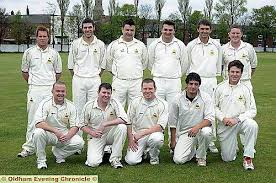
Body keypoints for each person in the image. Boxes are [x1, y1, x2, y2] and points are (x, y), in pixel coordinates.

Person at [18, 25, 62, 157]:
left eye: (45, 36)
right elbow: (25, 72)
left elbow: (58, 73)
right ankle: (29, 148)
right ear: (36, 37)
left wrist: (49, 85)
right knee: (33, 119)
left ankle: (58, 148)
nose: (42, 39)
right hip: (35, 89)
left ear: (48, 38)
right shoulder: (29, 53)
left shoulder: (54, 53)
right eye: (40, 36)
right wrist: (34, 84)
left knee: (52, 119)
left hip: (49, 90)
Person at [214, 60, 258, 170]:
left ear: (241, 73)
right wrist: (223, 118)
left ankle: (248, 157)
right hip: (225, 125)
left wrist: (237, 119)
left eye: (237, 72)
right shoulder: (220, 87)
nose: (234, 74)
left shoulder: (246, 89)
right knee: (228, 158)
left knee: (252, 125)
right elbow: (213, 107)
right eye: (232, 71)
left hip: (240, 122)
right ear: (228, 72)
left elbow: (252, 110)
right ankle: (233, 146)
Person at [186, 19, 222, 153]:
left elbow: (219, 65)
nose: (204, 31)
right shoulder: (191, 45)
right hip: (195, 81)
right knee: (194, 110)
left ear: (210, 30)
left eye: (207, 29)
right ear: (198, 29)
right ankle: (192, 139)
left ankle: (210, 141)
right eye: (202, 29)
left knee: (210, 110)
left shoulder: (216, 45)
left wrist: (215, 75)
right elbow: (186, 63)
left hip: (211, 80)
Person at [32, 81, 84, 169]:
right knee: (38, 133)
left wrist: (67, 136)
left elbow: (75, 126)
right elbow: (38, 123)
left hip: (63, 134)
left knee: (80, 143)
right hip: (49, 134)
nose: (60, 93)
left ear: (66, 92)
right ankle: (41, 161)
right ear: (52, 91)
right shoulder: (45, 103)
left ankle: (58, 154)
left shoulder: (71, 105)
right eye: (58, 91)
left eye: (63, 91)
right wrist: (56, 131)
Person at [169, 73, 214, 166]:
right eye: (191, 84)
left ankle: (201, 157)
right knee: (178, 160)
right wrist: (173, 141)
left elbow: (209, 119)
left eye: (196, 84)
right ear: (186, 84)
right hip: (186, 132)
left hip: (201, 129)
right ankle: (192, 151)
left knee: (207, 132)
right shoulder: (177, 99)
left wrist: (197, 127)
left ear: (199, 85)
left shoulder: (206, 97)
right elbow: (172, 121)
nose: (193, 87)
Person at [80, 83, 128, 168]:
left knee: (122, 127)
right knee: (93, 163)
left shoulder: (114, 102)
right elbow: (81, 124)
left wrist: (105, 124)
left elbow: (124, 119)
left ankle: (115, 159)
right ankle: (105, 151)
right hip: (96, 136)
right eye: (104, 92)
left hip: (111, 134)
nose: (106, 95)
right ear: (98, 92)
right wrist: (92, 132)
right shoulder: (89, 105)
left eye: (108, 93)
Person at [68, 17, 106, 118]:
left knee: (94, 109)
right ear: (82, 29)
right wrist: (78, 76)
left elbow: (103, 65)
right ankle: (78, 134)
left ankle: (92, 134)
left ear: (94, 28)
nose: (87, 30)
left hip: (94, 80)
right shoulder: (75, 44)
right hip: (79, 80)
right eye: (85, 28)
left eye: (90, 27)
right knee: (78, 109)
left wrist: (95, 75)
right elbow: (71, 66)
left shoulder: (100, 44)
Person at [125, 78, 168, 165]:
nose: (147, 91)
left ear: (155, 89)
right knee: (131, 161)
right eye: (145, 89)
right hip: (137, 136)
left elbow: (160, 126)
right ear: (141, 89)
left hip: (154, 133)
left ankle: (154, 157)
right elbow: (128, 122)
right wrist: (130, 139)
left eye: (150, 89)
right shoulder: (135, 102)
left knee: (156, 139)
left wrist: (142, 133)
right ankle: (145, 152)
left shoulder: (163, 104)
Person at [105, 19, 148, 107]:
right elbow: (109, 63)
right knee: (116, 107)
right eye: (127, 30)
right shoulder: (114, 45)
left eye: (132, 30)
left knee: (136, 108)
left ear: (134, 31)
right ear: (122, 30)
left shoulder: (140, 45)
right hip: (119, 82)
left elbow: (144, 63)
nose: (129, 32)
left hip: (136, 82)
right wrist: (117, 74)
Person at [148, 20, 187, 106]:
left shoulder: (180, 45)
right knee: (157, 107)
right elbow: (150, 63)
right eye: (165, 29)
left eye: (170, 30)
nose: (167, 32)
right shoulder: (154, 45)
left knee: (173, 108)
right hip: (158, 81)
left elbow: (184, 64)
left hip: (174, 82)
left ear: (174, 31)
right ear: (161, 30)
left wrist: (177, 74)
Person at [222, 25, 257, 91]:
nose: (235, 35)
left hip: (245, 82)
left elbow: (253, 66)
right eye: (233, 33)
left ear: (241, 34)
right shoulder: (223, 48)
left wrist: (245, 76)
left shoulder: (249, 47)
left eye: (237, 33)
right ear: (229, 34)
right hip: (227, 83)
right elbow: (220, 66)